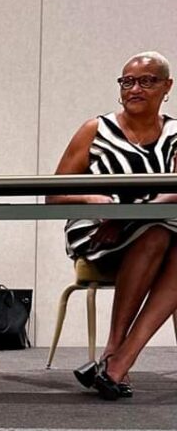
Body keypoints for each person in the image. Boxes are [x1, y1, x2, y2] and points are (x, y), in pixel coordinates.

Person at [49, 51, 177, 400]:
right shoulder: (96, 129)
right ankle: (115, 353)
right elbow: (53, 194)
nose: (135, 88)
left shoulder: (176, 133)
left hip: (152, 230)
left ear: (167, 86)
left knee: (160, 233)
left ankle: (118, 360)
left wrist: (130, 216)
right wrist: (92, 199)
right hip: (98, 231)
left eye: (146, 81)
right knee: (157, 232)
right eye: (127, 82)